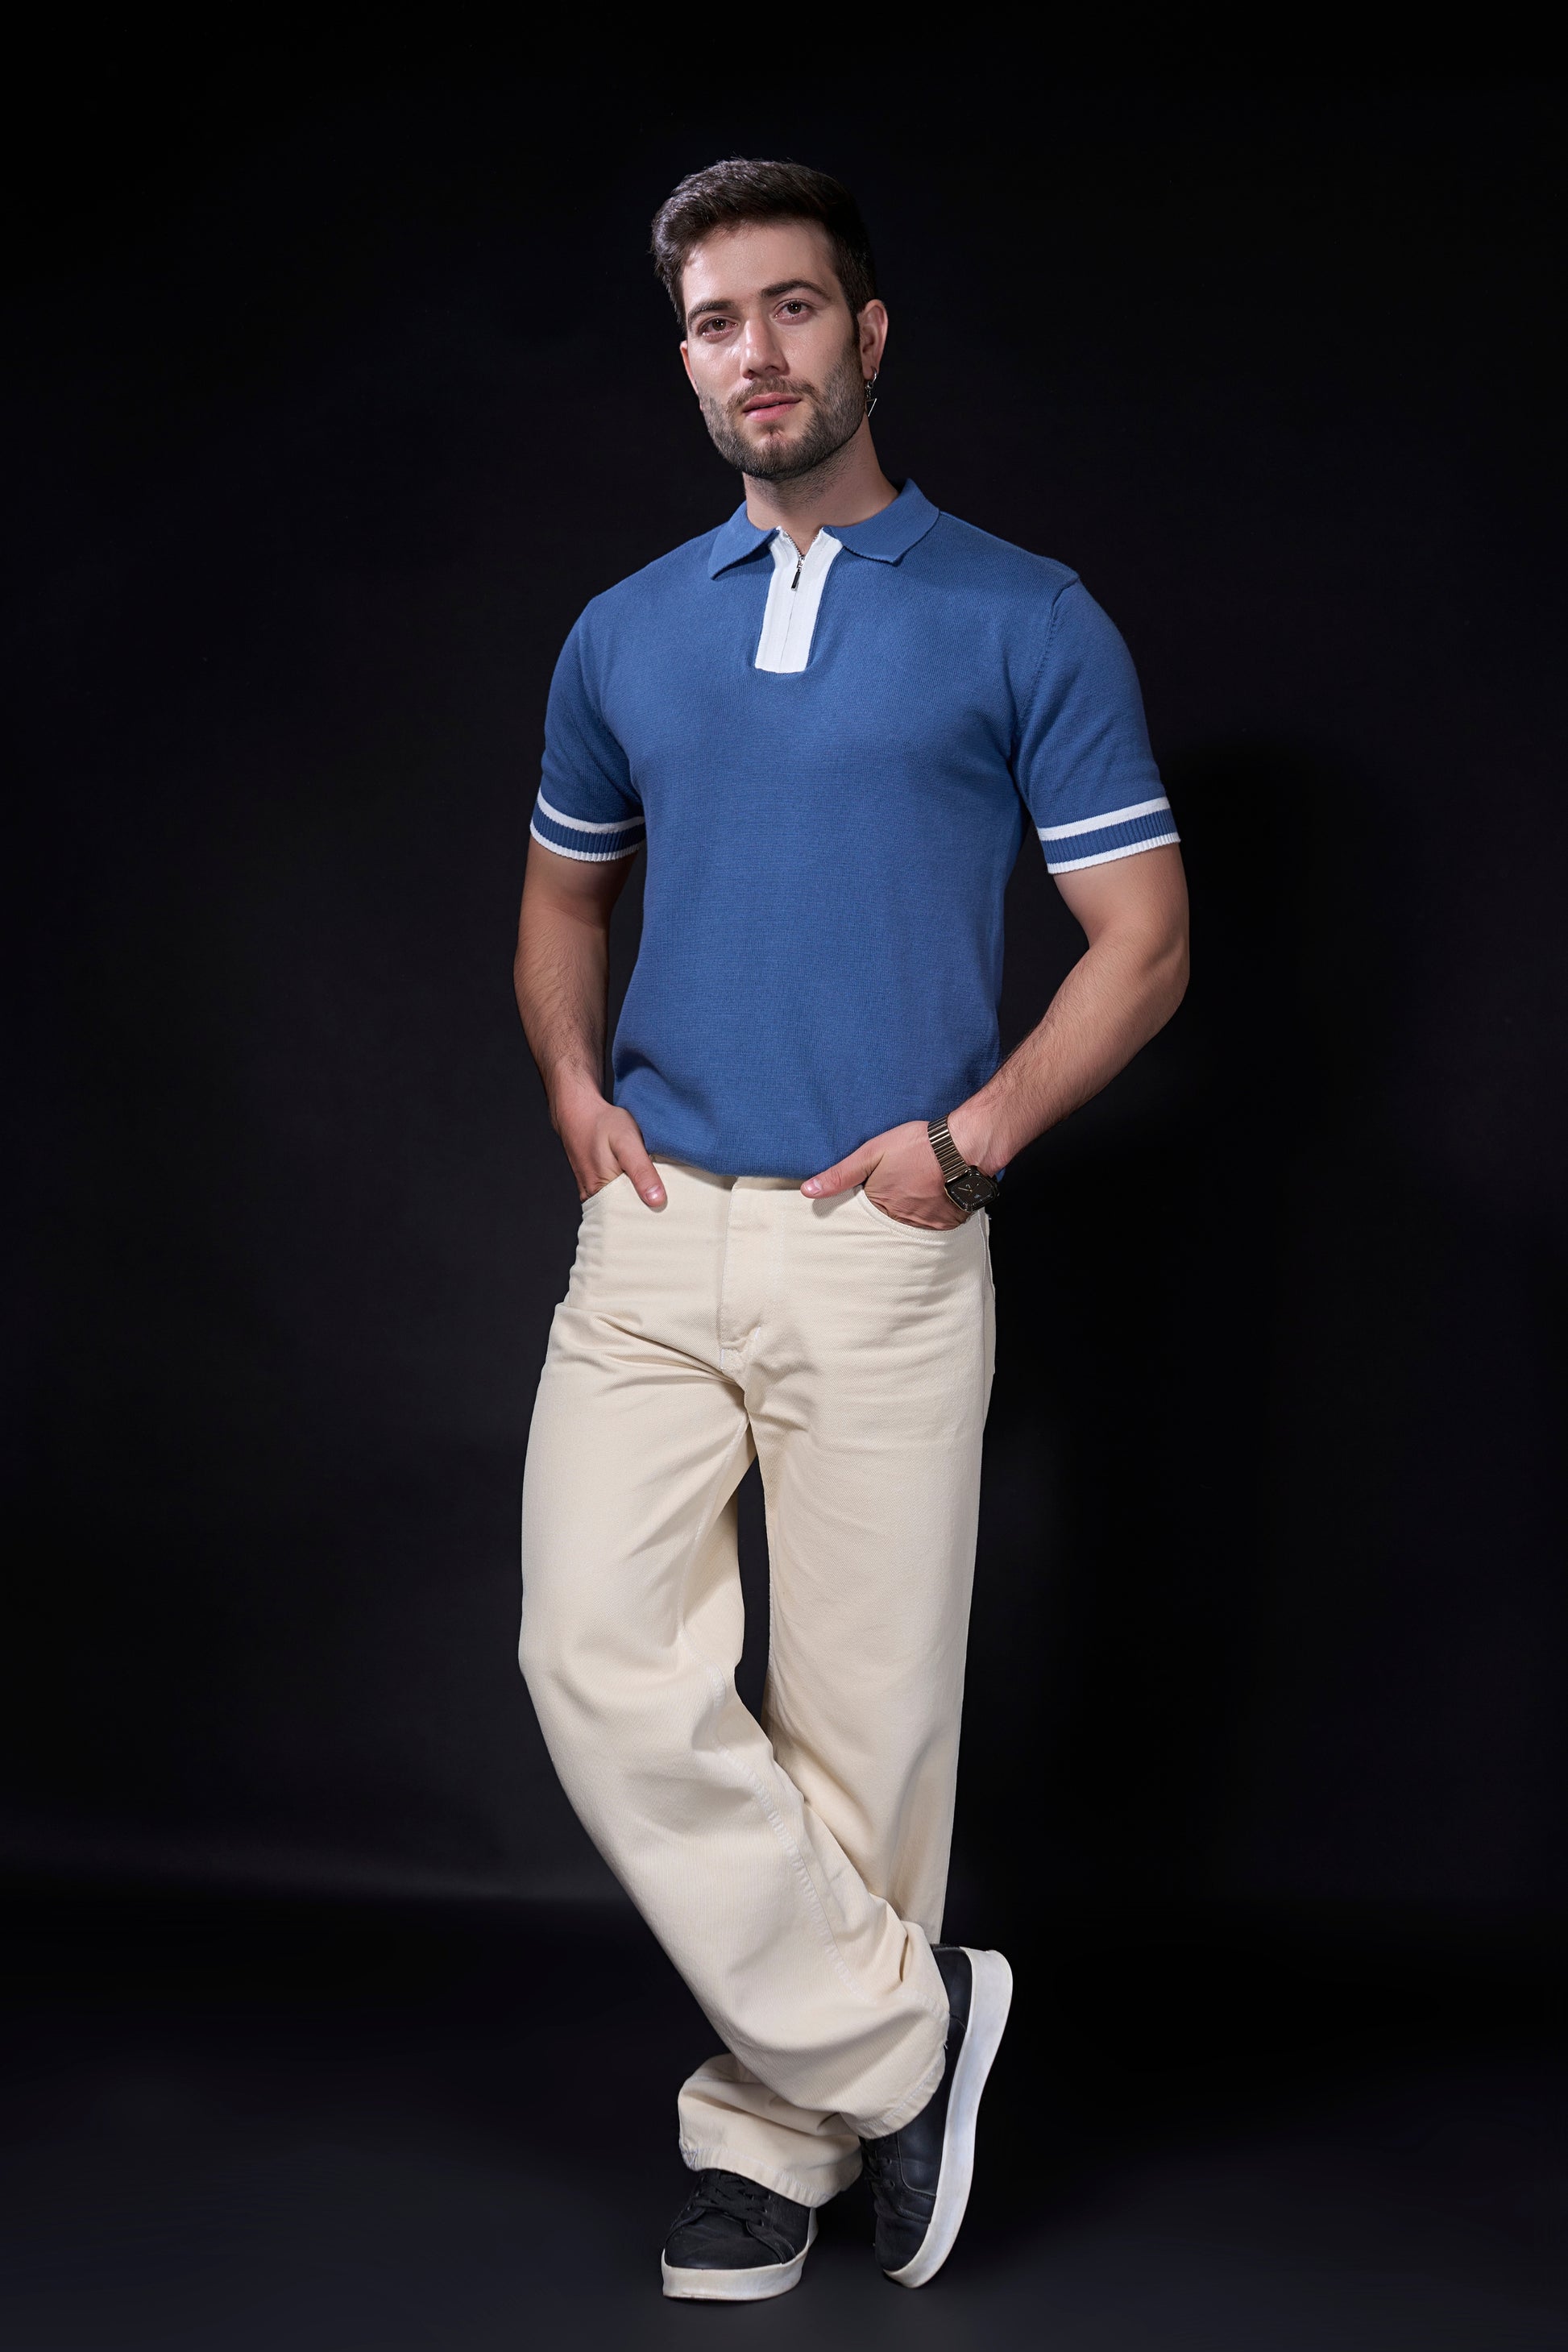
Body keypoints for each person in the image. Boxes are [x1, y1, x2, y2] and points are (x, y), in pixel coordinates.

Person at [512, 157, 1189, 2302]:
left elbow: (1144, 937)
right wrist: (569, 1087)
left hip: (884, 1235)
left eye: (792, 308)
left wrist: (966, 1146)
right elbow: (561, 900)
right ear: (686, 359)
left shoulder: (1025, 616)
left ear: (868, 332)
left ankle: (774, 2138)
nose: (757, 354)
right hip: (652, 1234)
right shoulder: (624, 630)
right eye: (716, 322)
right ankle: (910, 2043)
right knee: (592, 1654)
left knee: (861, 1729)